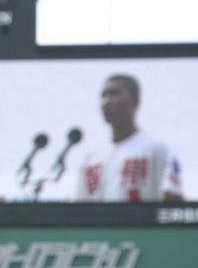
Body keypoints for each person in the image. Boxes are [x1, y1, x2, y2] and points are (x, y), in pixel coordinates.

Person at [74, 74, 184, 202]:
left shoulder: (157, 149)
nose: (106, 102)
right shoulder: (92, 159)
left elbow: (173, 198)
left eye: (114, 94)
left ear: (135, 101)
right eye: (103, 95)